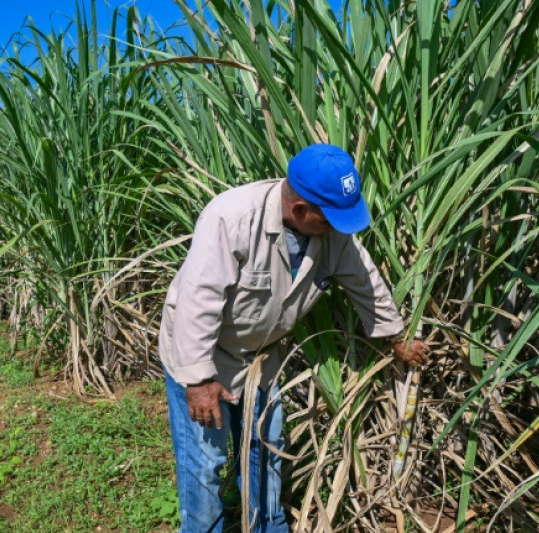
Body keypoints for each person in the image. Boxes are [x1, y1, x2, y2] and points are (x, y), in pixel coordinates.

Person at [159, 143, 429, 533]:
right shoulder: (231, 218)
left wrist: (394, 335)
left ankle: (269, 527)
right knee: (205, 462)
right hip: (206, 354)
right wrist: (199, 380)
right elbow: (196, 302)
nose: (340, 229)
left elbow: (364, 279)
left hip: (263, 360)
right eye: (332, 218)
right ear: (300, 211)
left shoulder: (330, 233)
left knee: (264, 452)